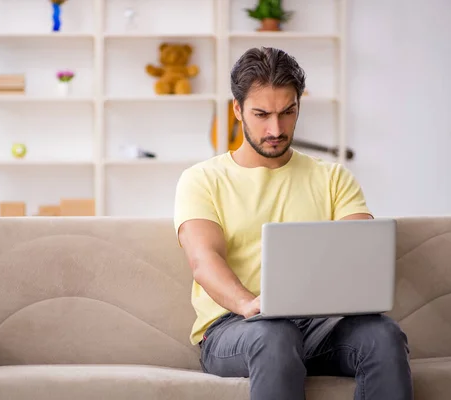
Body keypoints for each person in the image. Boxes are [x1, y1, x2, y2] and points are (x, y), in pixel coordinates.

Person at [173, 46, 413, 400]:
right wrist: (248, 304)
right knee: (275, 335)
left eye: (288, 112)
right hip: (234, 328)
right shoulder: (202, 179)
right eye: (262, 114)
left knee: (384, 336)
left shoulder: (332, 177)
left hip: (319, 327)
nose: (276, 128)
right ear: (237, 109)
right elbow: (204, 261)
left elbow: (362, 251)